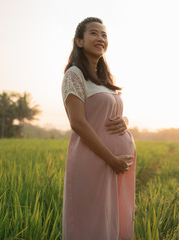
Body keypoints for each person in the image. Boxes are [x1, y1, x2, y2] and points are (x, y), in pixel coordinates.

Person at [61, 17, 136, 240]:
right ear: (79, 41)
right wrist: (111, 159)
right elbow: (78, 123)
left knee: (114, 223)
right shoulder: (74, 74)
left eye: (104, 35)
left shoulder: (104, 79)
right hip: (95, 160)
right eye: (94, 33)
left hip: (117, 164)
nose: (101, 38)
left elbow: (109, 114)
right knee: (92, 224)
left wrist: (126, 121)